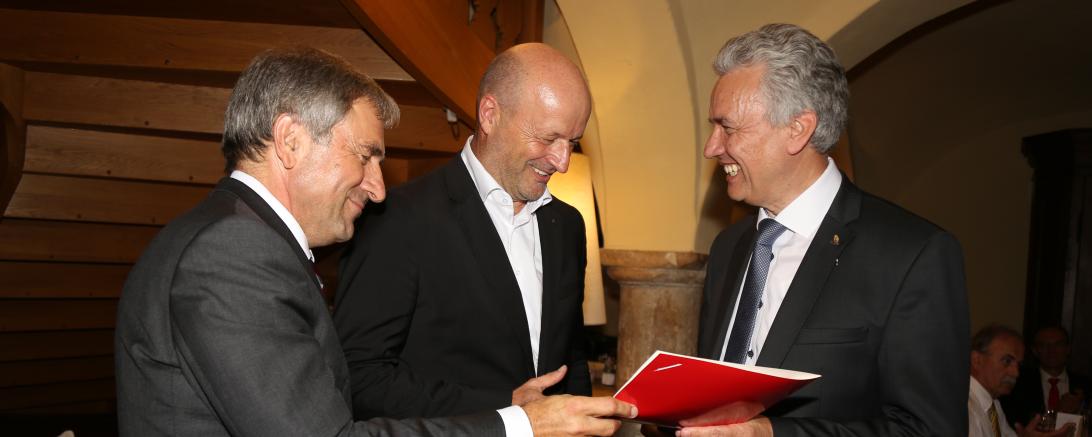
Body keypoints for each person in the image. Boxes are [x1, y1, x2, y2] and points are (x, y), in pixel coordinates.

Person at [114, 47, 635, 437]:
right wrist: (518, 423)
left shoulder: (237, 239)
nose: (378, 187)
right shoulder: (231, 252)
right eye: (365, 155)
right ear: (291, 140)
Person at [686, 24, 970, 436]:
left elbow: (930, 429)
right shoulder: (729, 247)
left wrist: (771, 433)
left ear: (798, 129)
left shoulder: (913, 255)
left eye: (728, 128)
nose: (711, 147)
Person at [333, 43, 593, 419]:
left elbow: (572, 359)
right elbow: (359, 377)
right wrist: (505, 409)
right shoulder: (398, 219)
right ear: (490, 115)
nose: (562, 161)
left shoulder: (567, 226)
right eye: (548, 138)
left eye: (572, 142)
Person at [969, 325, 1073, 437]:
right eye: (1007, 361)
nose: (1016, 373)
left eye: (1018, 364)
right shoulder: (966, 409)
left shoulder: (993, 404)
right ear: (977, 360)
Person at [1002, 325, 1090, 427]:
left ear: (1068, 349)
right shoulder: (1017, 383)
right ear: (1035, 351)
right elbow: (1013, 424)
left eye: (1058, 344)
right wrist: (1057, 412)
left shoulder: (1085, 385)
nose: (1051, 350)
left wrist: (1081, 410)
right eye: (1044, 345)